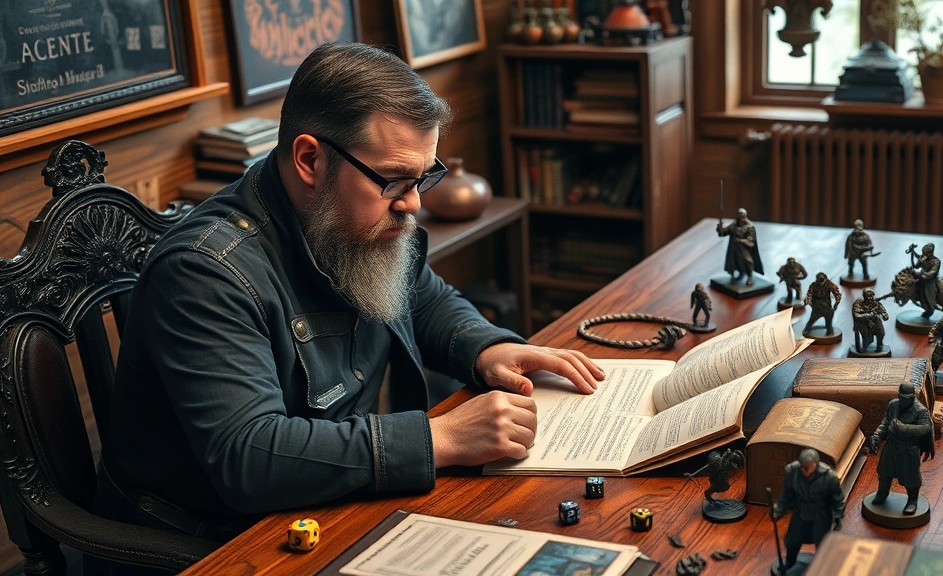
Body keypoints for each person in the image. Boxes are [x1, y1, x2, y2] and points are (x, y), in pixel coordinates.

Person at [98, 43, 605, 546]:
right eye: (394, 181)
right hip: (218, 541)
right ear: (310, 160)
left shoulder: (345, 219)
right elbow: (251, 457)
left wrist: (487, 347)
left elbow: (423, 298)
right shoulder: (203, 272)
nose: (413, 203)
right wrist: (440, 437)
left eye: (424, 177)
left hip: (330, 502)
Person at [868, 382, 934, 515]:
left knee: (910, 478)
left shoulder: (920, 410)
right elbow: (885, 422)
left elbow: (925, 427)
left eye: (907, 398)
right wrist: (877, 436)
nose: (904, 400)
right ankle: (882, 493)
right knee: (884, 472)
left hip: (908, 448)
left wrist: (904, 428)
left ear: (913, 397)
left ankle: (912, 500)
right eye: (902, 397)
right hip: (891, 445)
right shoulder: (893, 405)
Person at [772, 448, 844, 570]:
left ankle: (821, 566)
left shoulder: (829, 477)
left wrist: (837, 516)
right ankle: (790, 561)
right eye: (801, 467)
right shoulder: (793, 472)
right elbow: (787, 494)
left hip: (821, 514)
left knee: (822, 543)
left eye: (806, 468)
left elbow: (837, 499)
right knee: (792, 540)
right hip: (801, 511)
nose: (803, 470)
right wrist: (779, 509)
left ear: (815, 465)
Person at [716, 208, 764, 286]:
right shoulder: (733, 226)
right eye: (739, 215)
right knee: (735, 262)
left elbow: (751, 241)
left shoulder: (749, 227)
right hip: (734, 248)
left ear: (745, 216)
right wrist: (720, 229)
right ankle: (739, 273)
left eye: (743, 216)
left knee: (748, 261)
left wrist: (741, 241)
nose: (741, 218)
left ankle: (749, 277)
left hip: (744, 249)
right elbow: (723, 233)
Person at [852, 288, 888, 353]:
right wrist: (869, 314)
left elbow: (881, 308)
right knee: (866, 338)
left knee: (881, 332)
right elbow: (857, 315)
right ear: (864, 296)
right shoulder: (858, 303)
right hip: (863, 322)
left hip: (874, 321)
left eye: (872, 296)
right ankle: (864, 349)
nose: (870, 298)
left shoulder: (875, 301)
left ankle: (879, 345)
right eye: (868, 296)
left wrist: (884, 314)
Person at [911, 243, 941, 318]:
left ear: (930, 253)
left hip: (930, 281)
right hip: (922, 277)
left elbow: (932, 272)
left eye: (925, 253)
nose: (923, 255)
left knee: (928, 295)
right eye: (923, 253)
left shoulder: (936, 261)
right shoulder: (923, 258)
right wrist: (913, 251)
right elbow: (917, 264)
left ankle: (932, 307)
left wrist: (924, 273)